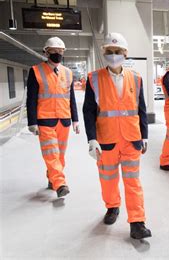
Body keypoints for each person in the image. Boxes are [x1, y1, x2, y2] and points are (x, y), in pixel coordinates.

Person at [82, 32, 152, 240]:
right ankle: (112, 207)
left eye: (118, 51)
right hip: (106, 140)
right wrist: (91, 138)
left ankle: (137, 222)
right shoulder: (94, 79)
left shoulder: (136, 78)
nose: (114, 55)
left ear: (125, 53)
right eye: (110, 52)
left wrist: (145, 135)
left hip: (132, 139)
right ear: (104, 53)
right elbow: (88, 111)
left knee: (133, 181)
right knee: (108, 179)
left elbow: (141, 109)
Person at [26, 37, 80, 198]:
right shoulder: (36, 71)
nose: (57, 54)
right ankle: (60, 184)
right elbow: (31, 98)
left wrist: (75, 120)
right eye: (54, 51)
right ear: (46, 52)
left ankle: (52, 178)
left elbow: (71, 98)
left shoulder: (68, 73)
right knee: (51, 154)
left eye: (60, 51)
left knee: (60, 155)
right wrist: (32, 122)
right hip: (45, 120)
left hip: (64, 120)